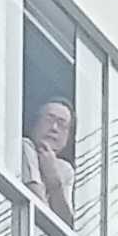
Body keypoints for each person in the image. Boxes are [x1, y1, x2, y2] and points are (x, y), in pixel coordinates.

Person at [23, 94, 76, 223]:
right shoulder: (24, 147)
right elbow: (37, 206)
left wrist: (54, 181)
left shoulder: (65, 169)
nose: (54, 128)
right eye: (49, 120)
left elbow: (66, 224)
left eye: (62, 125)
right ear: (35, 123)